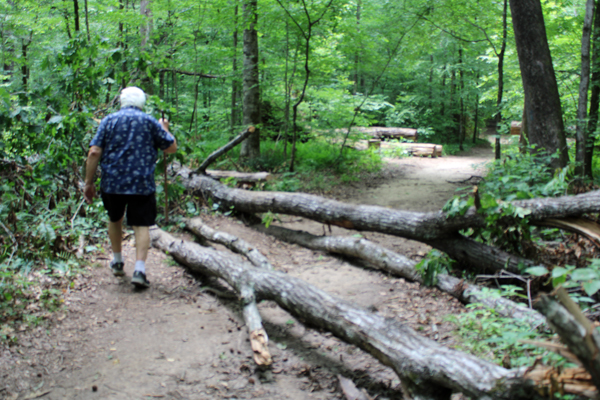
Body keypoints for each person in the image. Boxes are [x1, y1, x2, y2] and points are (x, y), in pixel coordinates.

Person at [84, 87, 177, 288]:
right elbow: (171, 147)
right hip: (141, 183)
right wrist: (165, 129)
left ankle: (117, 261)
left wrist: (88, 183)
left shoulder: (109, 121)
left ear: (122, 101)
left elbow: (94, 152)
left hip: (112, 182)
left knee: (114, 218)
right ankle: (140, 271)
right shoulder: (150, 121)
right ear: (142, 103)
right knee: (141, 225)